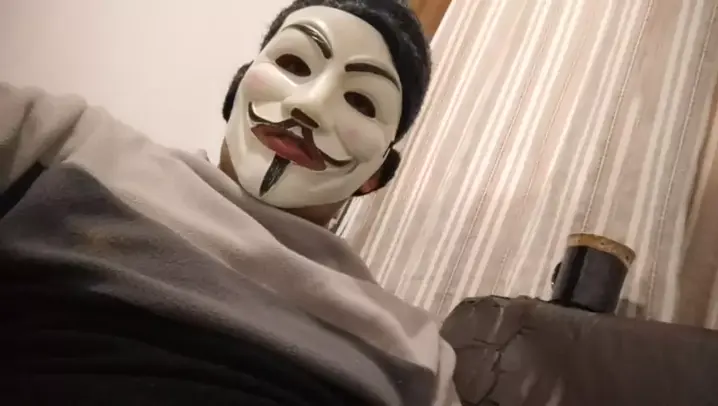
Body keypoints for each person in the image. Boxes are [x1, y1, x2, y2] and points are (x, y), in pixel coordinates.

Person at [0, 0, 459, 405]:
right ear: (238, 87)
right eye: (294, 63)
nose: (310, 106)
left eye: (361, 101)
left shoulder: (417, 351)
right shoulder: (74, 141)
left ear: (378, 173)